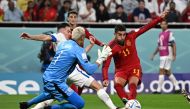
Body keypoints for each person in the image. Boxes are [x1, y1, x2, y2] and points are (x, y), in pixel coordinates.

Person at [19, 23, 122, 109]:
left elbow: (73, 56)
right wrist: (101, 59)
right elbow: (90, 70)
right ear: (82, 37)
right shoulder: (77, 49)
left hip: (48, 76)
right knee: (79, 103)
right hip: (56, 81)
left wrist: (31, 36)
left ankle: (27, 104)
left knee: (50, 94)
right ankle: (50, 108)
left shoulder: (64, 44)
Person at [101, 10, 168, 105]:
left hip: (134, 67)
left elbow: (146, 27)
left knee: (133, 85)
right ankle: (127, 102)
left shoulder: (131, 35)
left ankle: (131, 103)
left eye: (124, 34)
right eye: (119, 35)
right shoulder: (110, 47)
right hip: (121, 70)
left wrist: (160, 18)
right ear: (115, 34)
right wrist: (105, 78)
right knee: (117, 85)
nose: (122, 37)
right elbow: (106, 64)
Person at [150, 20, 180, 94]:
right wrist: (154, 54)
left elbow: (173, 44)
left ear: (167, 25)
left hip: (167, 54)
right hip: (162, 54)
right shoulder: (160, 34)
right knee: (167, 71)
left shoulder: (169, 33)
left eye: (164, 24)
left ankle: (159, 90)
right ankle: (177, 87)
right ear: (160, 25)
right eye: (161, 24)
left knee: (161, 70)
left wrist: (174, 54)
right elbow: (159, 46)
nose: (163, 25)